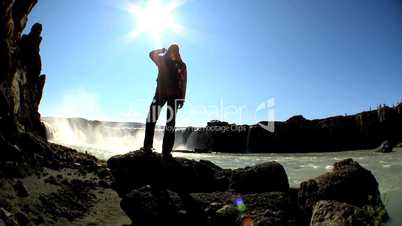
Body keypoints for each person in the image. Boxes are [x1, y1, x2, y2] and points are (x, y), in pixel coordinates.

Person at [142, 44, 187, 158]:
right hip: (160, 94)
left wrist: (182, 98)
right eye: (172, 50)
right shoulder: (162, 60)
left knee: (169, 123)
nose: (173, 53)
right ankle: (148, 147)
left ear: (177, 53)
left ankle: (166, 151)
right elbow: (151, 54)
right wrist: (161, 50)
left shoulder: (181, 65)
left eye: (175, 51)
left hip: (172, 96)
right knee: (151, 119)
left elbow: (184, 82)